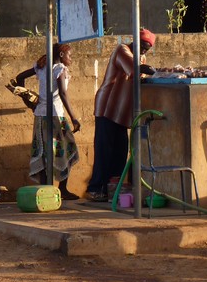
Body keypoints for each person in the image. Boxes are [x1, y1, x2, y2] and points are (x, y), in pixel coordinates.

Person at [85, 30, 157, 202]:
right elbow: (134, 69)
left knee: (120, 152)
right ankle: (95, 188)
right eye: (142, 47)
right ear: (135, 42)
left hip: (122, 113)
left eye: (147, 49)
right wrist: (155, 71)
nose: (143, 52)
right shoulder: (122, 50)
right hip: (108, 108)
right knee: (104, 151)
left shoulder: (141, 58)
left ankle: (112, 190)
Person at [13, 43, 81, 199]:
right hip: (56, 116)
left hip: (40, 116)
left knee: (44, 152)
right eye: (70, 55)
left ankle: (46, 189)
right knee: (69, 149)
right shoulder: (59, 69)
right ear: (62, 55)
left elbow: (19, 78)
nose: (71, 59)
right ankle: (62, 189)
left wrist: (26, 98)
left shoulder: (41, 67)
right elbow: (63, 94)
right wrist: (74, 118)